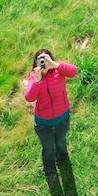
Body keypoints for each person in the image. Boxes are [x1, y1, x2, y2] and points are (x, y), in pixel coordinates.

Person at [25, 48, 77, 182]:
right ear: (36, 62)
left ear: (51, 59)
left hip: (62, 119)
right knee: (48, 148)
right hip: (43, 124)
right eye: (40, 59)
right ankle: (50, 171)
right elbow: (29, 98)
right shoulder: (34, 76)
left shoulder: (59, 70)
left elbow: (73, 71)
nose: (44, 62)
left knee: (60, 141)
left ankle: (62, 159)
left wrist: (55, 65)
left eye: (46, 58)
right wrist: (38, 81)